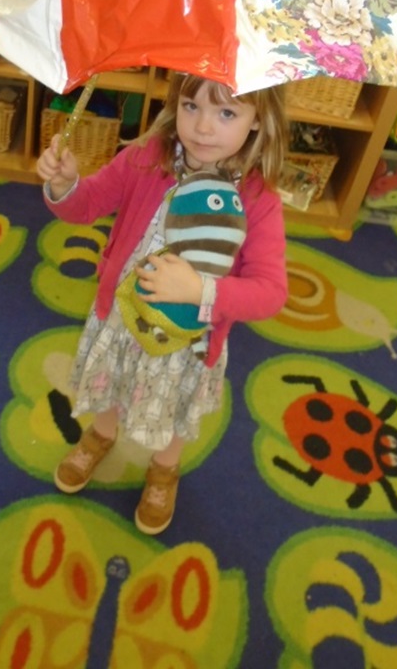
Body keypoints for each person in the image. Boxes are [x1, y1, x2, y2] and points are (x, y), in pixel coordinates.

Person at [36, 73, 289, 535]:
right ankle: (102, 434)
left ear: (258, 119)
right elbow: (84, 206)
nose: (203, 127)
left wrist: (201, 291)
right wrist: (65, 185)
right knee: (111, 378)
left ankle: (165, 467)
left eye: (226, 112)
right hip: (122, 318)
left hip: (187, 343)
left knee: (173, 405)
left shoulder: (257, 199)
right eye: (191, 106)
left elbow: (271, 291)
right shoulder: (146, 157)